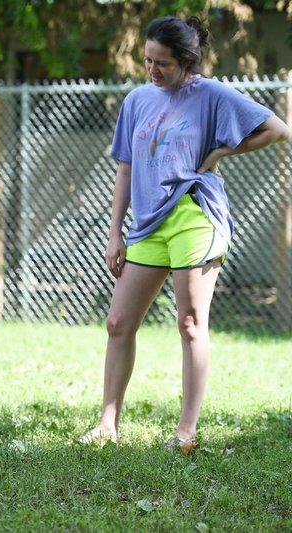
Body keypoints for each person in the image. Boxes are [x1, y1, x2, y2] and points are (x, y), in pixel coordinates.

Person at [79, 16, 290, 451]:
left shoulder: (210, 94)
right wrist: (115, 233)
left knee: (191, 324)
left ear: (187, 61)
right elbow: (125, 168)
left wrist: (220, 151)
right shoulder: (138, 100)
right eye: (148, 60)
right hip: (148, 225)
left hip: (195, 216)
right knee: (118, 322)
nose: (153, 70)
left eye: (163, 64)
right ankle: (106, 426)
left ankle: (186, 432)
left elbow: (277, 129)